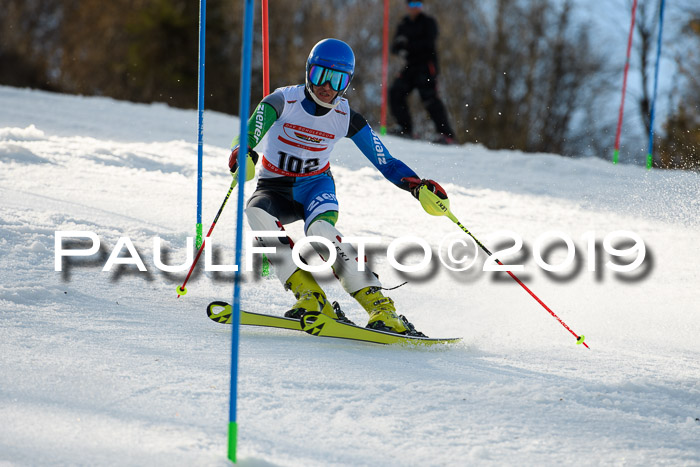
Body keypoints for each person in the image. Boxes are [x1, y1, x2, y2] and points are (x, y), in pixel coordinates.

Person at [228, 38, 449, 336]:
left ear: (346, 83)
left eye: (337, 79)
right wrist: (243, 153)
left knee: (320, 232)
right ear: (308, 72)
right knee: (255, 212)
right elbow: (248, 134)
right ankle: (311, 297)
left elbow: (386, 162)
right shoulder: (282, 101)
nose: (326, 87)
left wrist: (416, 186)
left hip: (315, 187)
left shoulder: (346, 118)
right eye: (321, 75)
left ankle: (381, 308)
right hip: (274, 187)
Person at [389, 0, 455, 144]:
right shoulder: (403, 24)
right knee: (395, 91)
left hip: (426, 65)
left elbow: (429, 42)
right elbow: (394, 48)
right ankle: (405, 128)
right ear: (407, 6)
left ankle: (446, 134)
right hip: (410, 66)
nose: (415, 8)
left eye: (418, 5)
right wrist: (399, 45)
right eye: (412, 5)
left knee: (430, 98)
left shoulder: (428, 22)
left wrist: (408, 44)